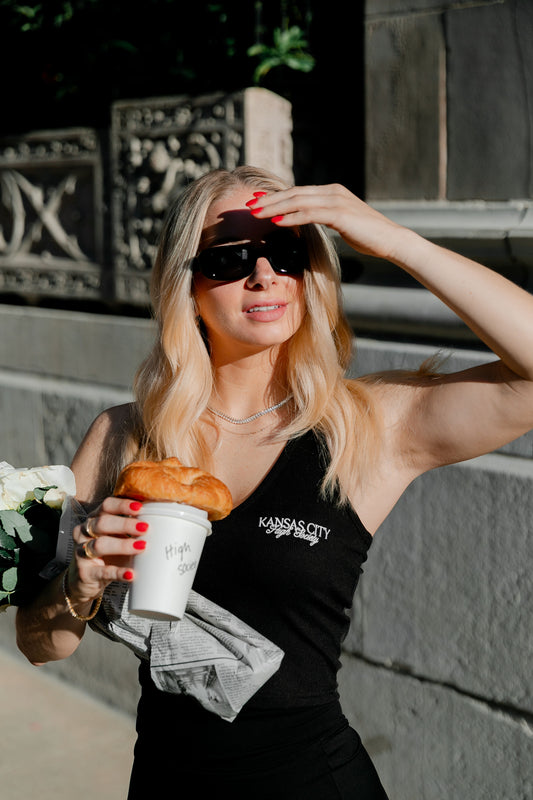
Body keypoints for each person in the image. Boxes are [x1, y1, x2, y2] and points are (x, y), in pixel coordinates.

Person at [15, 166, 533, 799]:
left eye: (285, 253)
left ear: (310, 272)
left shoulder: (366, 426)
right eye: (230, 259)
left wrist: (397, 241)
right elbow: (40, 644)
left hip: (312, 781)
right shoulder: (125, 438)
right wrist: (82, 580)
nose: (264, 275)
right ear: (189, 286)